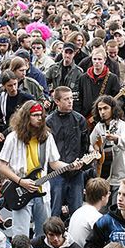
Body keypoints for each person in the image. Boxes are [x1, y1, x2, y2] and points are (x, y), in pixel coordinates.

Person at [0, 100, 82, 238]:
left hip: (42, 192)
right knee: (21, 234)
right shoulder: (13, 138)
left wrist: (71, 166)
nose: (40, 118)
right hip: (21, 189)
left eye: (41, 115)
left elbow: (54, 163)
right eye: (35, 115)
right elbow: (2, 166)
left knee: (43, 234)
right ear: (26, 117)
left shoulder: (47, 137)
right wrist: (20, 181)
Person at [46, 86, 88, 217]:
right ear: (57, 101)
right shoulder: (49, 122)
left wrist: (83, 164)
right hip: (56, 173)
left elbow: (85, 145)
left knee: (76, 211)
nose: (70, 101)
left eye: (71, 98)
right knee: (54, 210)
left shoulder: (80, 119)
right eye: (66, 99)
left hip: (76, 173)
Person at [90, 95, 125, 204]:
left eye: (105, 108)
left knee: (117, 209)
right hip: (105, 176)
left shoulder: (122, 126)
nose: (102, 112)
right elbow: (91, 143)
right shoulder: (99, 126)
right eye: (100, 109)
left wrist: (116, 139)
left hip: (121, 175)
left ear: (112, 109)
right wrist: (95, 151)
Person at [77, 47, 120, 128]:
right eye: (95, 59)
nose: (97, 62)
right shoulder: (83, 78)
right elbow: (79, 98)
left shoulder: (112, 78)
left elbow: (118, 99)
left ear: (105, 60)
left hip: (105, 119)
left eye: (99, 59)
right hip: (86, 118)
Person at [0, 70, 33, 147]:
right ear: (4, 86)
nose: (13, 88)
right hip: (6, 134)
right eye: (10, 86)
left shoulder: (26, 98)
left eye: (15, 84)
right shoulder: (2, 97)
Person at [68, 177, 110, 248]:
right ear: (103, 197)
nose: (109, 195)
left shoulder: (78, 211)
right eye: (108, 193)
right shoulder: (96, 217)